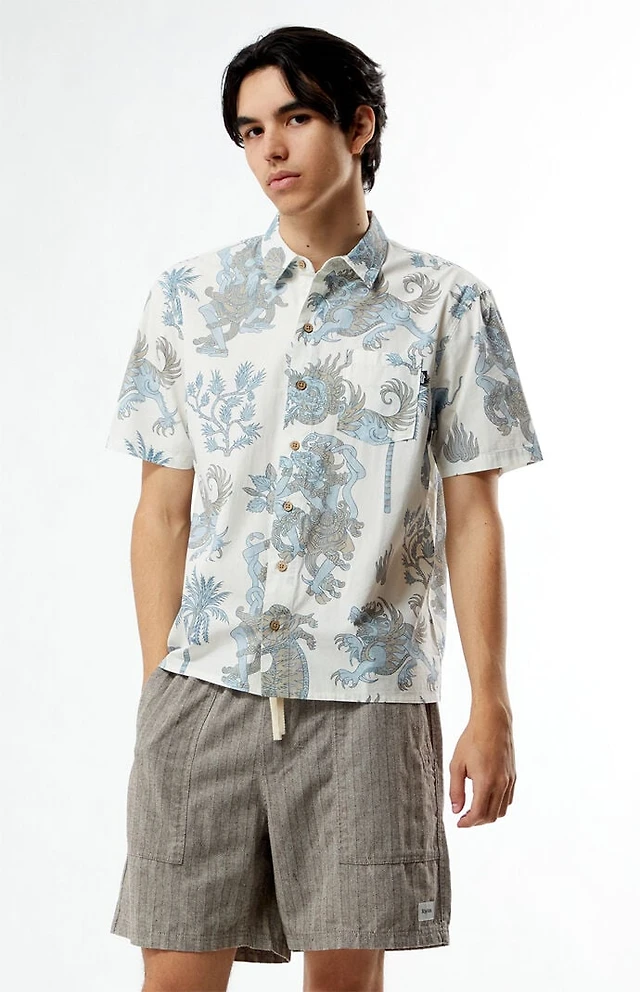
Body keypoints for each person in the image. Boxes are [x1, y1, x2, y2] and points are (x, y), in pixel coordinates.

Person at [105, 24, 543, 992]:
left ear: (358, 126)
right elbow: (161, 512)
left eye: (295, 118)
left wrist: (491, 703)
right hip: (204, 692)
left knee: (344, 986)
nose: (270, 148)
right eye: (250, 129)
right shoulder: (188, 300)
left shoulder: (447, 305)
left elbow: (474, 514)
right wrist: (159, 691)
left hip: (368, 705)